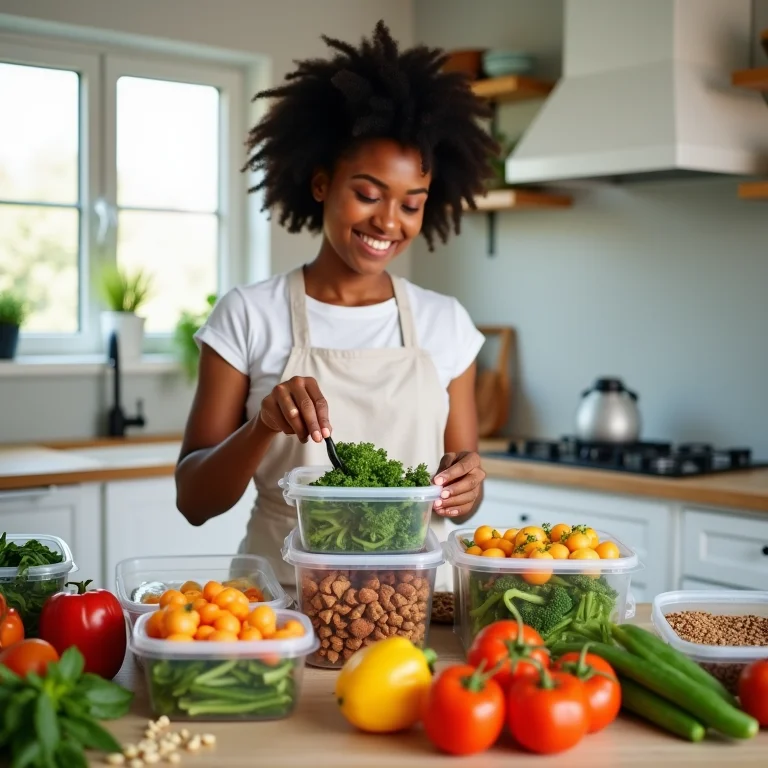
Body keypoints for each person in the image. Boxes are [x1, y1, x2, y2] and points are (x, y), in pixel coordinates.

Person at [175, 21, 497, 590]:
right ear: (321, 183)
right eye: (368, 194)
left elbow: (459, 500)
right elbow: (194, 501)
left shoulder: (447, 324)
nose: (388, 222)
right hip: (277, 599)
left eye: (411, 204)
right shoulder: (248, 315)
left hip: (410, 596)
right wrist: (261, 426)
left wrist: (468, 487)